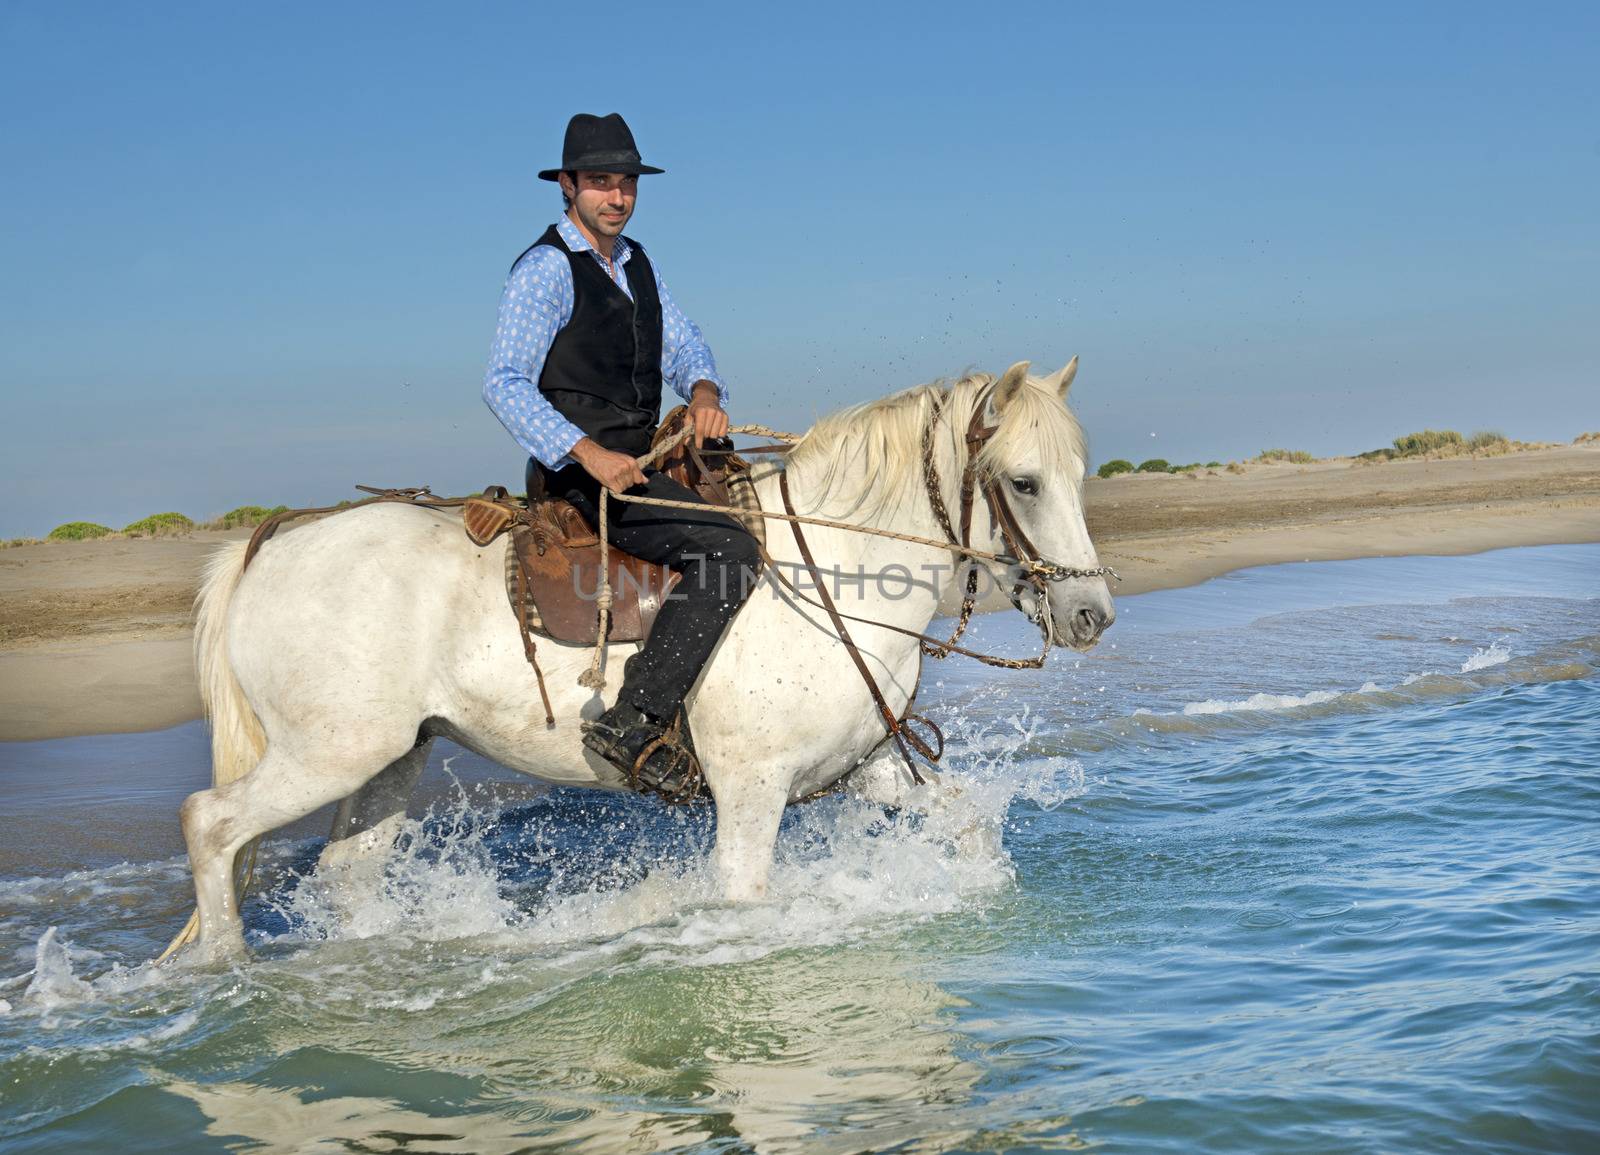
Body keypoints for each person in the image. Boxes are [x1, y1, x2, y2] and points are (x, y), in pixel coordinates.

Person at [483, 112, 760, 792]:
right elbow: (504, 382)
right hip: (581, 476)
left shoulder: (638, 265)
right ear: (568, 188)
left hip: (640, 462)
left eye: (626, 183)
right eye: (600, 183)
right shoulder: (546, 270)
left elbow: (687, 346)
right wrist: (586, 453)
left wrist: (701, 392)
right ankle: (633, 718)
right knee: (731, 551)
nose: (617, 196)